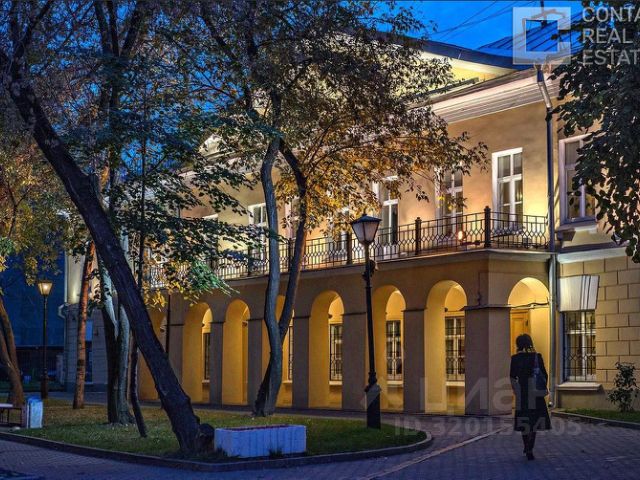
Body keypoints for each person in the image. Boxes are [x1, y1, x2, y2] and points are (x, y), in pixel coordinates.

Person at [510, 333, 551, 460]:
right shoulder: (537, 357)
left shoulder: (515, 359)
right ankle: (530, 447)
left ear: (518, 344)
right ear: (530, 343)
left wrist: (516, 390)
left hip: (522, 393)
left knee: (524, 421)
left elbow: (512, 376)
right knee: (534, 421)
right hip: (535, 393)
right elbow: (544, 374)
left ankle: (526, 445)